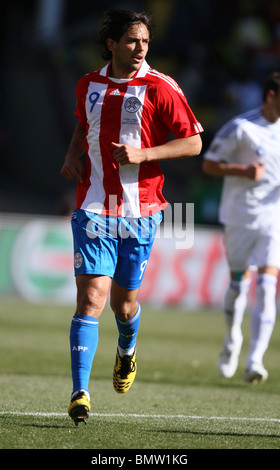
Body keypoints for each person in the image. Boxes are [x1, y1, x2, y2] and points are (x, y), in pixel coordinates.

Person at [61, 8, 203, 425]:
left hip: (140, 213)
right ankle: (80, 393)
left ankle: (126, 349)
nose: (139, 48)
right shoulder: (88, 84)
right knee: (91, 299)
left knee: (124, 306)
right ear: (111, 43)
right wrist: (72, 152)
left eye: (144, 41)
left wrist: (145, 154)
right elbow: (81, 124)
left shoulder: (161, 87)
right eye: (131, 41)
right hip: (93, 208)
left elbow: (193, 142)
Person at [202, 71, 280, 385]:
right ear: (271, 96)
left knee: (266, 286)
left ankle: (255, 360)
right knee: (238, 283)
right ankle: (232, 338)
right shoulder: (242, 127)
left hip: (272, 218)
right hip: (239, 216)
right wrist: (243, 171)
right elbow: (208, 163)